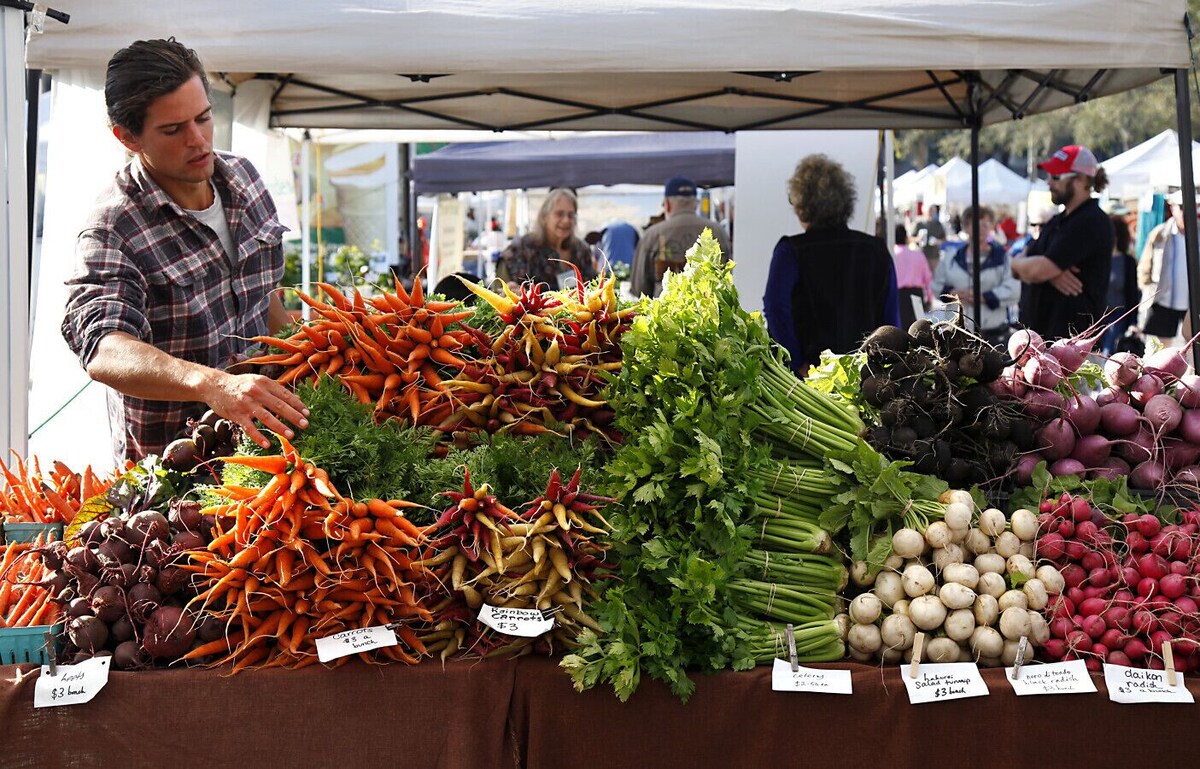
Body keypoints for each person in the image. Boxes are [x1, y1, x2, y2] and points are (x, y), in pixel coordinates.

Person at [61, 38, 308, 464]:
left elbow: (259, 295)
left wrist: (300, 354)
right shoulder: (113, 224)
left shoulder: (244, 179)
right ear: (127, 136)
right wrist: (209, 383)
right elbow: (103, 348)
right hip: (175, 481)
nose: (198, 140)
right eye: (173, 130)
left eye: (204, 118)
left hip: (267, 447)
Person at [763, 155, 900, 377]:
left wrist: (796, 363)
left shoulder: (790, 252)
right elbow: (892, 321)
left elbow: (776, 309)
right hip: (868, 377)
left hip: (810, 379)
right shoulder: (876, 250)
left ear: (801, 205)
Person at [1011, 144, 1113, 341]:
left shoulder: (1090, 221)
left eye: (1056, 177)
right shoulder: (1057, 221)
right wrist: (1046, 272)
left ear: (1081, 179)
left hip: (1069, 349)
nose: (1049, 182)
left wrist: (1039, 269)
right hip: (1041, 341)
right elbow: (1019, 265)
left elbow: (1035, 269)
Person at [932, 205, 1020, 348]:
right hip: (958, 334)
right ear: (966, 227)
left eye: (985, 224)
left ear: (991, 226)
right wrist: (953, 294)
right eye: (975, 224)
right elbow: (937, 286)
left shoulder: (1002, 258)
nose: (981, 229)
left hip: (993, 335)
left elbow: (1014, 290)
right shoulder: (951, 258)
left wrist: (984, 297)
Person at [630, 175, 732, 297]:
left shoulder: (652, 235)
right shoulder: (718, 231)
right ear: (696, 204)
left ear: (667, 204)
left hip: (665, 313)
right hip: (711, 312)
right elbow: (729, 275)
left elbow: (639, 287)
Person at [496, 188, 597, 289]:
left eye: (571, 215)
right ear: (544, 217)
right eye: (559, 214)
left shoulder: (582, 251)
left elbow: (593, 287)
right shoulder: (521, 249)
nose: (566, 220)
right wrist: (509, 289)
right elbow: (500, 289)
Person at [1138, 189, 1197, 348]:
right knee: (1162, 348)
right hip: (1164, 299)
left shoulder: (1197, 233)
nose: (1187, 210)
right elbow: (1145, 265)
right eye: (1181, 206)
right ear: (1172, 208)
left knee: (1192, 347)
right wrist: (1147, 290)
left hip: (1192, 303)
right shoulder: (1160, 233)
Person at [1100, 213, 1141, 355]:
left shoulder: (1127, 262)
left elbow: (1133, 293)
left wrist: (1133, 322)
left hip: (1118, 316)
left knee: (1109, 352)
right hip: (1098, 316)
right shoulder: (1097, 260)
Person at [892, 223, 934, 329]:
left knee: (900, 332)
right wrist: (929, 298)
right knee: (918, 331)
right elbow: (927, 278)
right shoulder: (917, 254)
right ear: (906, 237)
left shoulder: (892, 255)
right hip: (916, 295)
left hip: (899, 296)